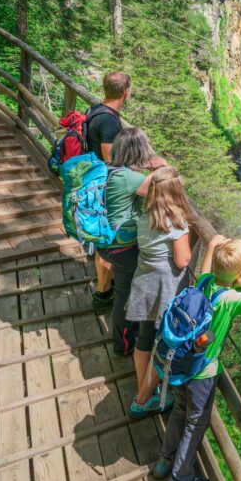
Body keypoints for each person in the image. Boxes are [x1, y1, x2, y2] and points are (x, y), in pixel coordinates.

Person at [152, 234, 241, 481]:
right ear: (239, 272)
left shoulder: (204, 284)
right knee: (195, 425)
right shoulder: (231, 298)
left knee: (179, 412)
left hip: (180, 366)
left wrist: (210, 247)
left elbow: (205, 270)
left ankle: (164, 462)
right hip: (202, 373)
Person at [126, 166, 193, 420]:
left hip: (144, 284)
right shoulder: (177, 223)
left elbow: (144, 188)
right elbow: (183, 260)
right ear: (177, 192)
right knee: (161, 344)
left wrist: (155, 176)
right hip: (165, 289)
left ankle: (141, 384)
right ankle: (143, 399)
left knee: (144, 338)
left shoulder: (145, 218)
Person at [96, 128, 167, 357]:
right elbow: (163, 186)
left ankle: (127, 336)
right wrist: (161, 165)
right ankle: (122, 345)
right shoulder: (131, 178)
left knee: (124, 290)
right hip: (122, 248)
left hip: (105, 244)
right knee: (124, 295)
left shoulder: (110, 170)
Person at [85, 71, 132, 309]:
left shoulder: (94, 110)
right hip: (102, 187)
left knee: (101, 240)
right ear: (126, 93)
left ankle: (104, 287)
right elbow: (109, 157)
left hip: (91, 180)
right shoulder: (110, 121)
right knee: (106, 242)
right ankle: (103, 294)